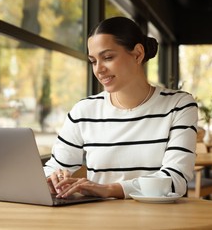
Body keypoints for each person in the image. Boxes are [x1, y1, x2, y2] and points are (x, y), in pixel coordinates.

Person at [44, 16, 198, 199]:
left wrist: (110, 189)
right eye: (93, 61)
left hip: (157, 221)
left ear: (138, 54)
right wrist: (53, 177)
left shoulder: (179, 105)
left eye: (107, 57)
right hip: (99, 222)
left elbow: (175, 179)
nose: (99, 69)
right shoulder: (83, 111)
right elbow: (55, 166)